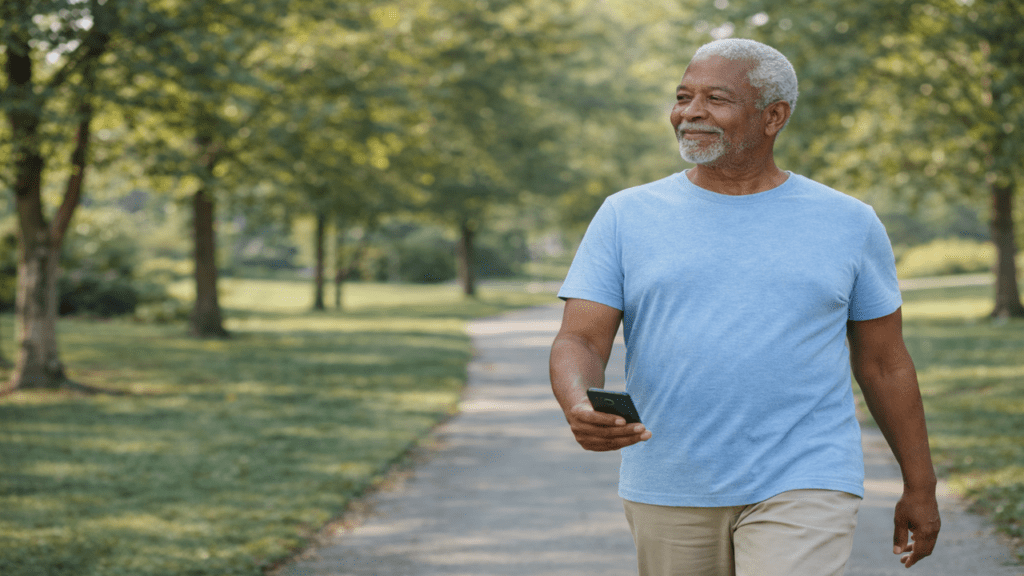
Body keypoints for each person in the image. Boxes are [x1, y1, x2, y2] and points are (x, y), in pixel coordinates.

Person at [549, 38, 940, 575]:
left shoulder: (848, 222)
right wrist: (577, 402)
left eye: (716, 99)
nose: (690, 113)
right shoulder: (626, 215)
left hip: (807, 473)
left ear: (773, 116)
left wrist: (921, 486)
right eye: (683, 96)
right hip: (670, 476)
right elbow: (580, 338)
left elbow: (883, 361)